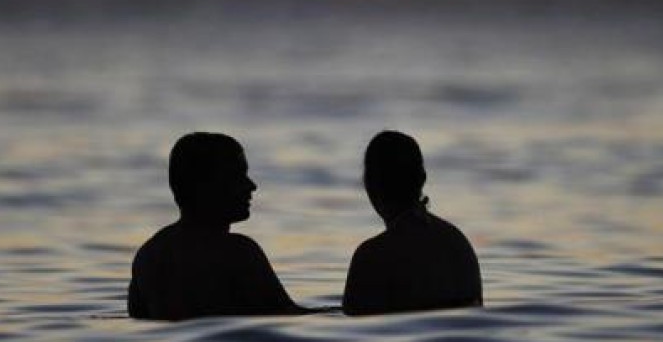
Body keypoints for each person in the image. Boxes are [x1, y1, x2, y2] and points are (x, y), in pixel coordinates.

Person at [128, 132, 309, 320]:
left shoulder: (148, 255)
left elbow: (137, 318)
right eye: (237, 176)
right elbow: (287, 315)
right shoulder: (238, 252)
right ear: (206, 185)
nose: (251, 186)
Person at [343, 130, 483, 315]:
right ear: (422, 178)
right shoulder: (458, 244)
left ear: (369, 184)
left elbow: (354, 321)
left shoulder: (372, 256)